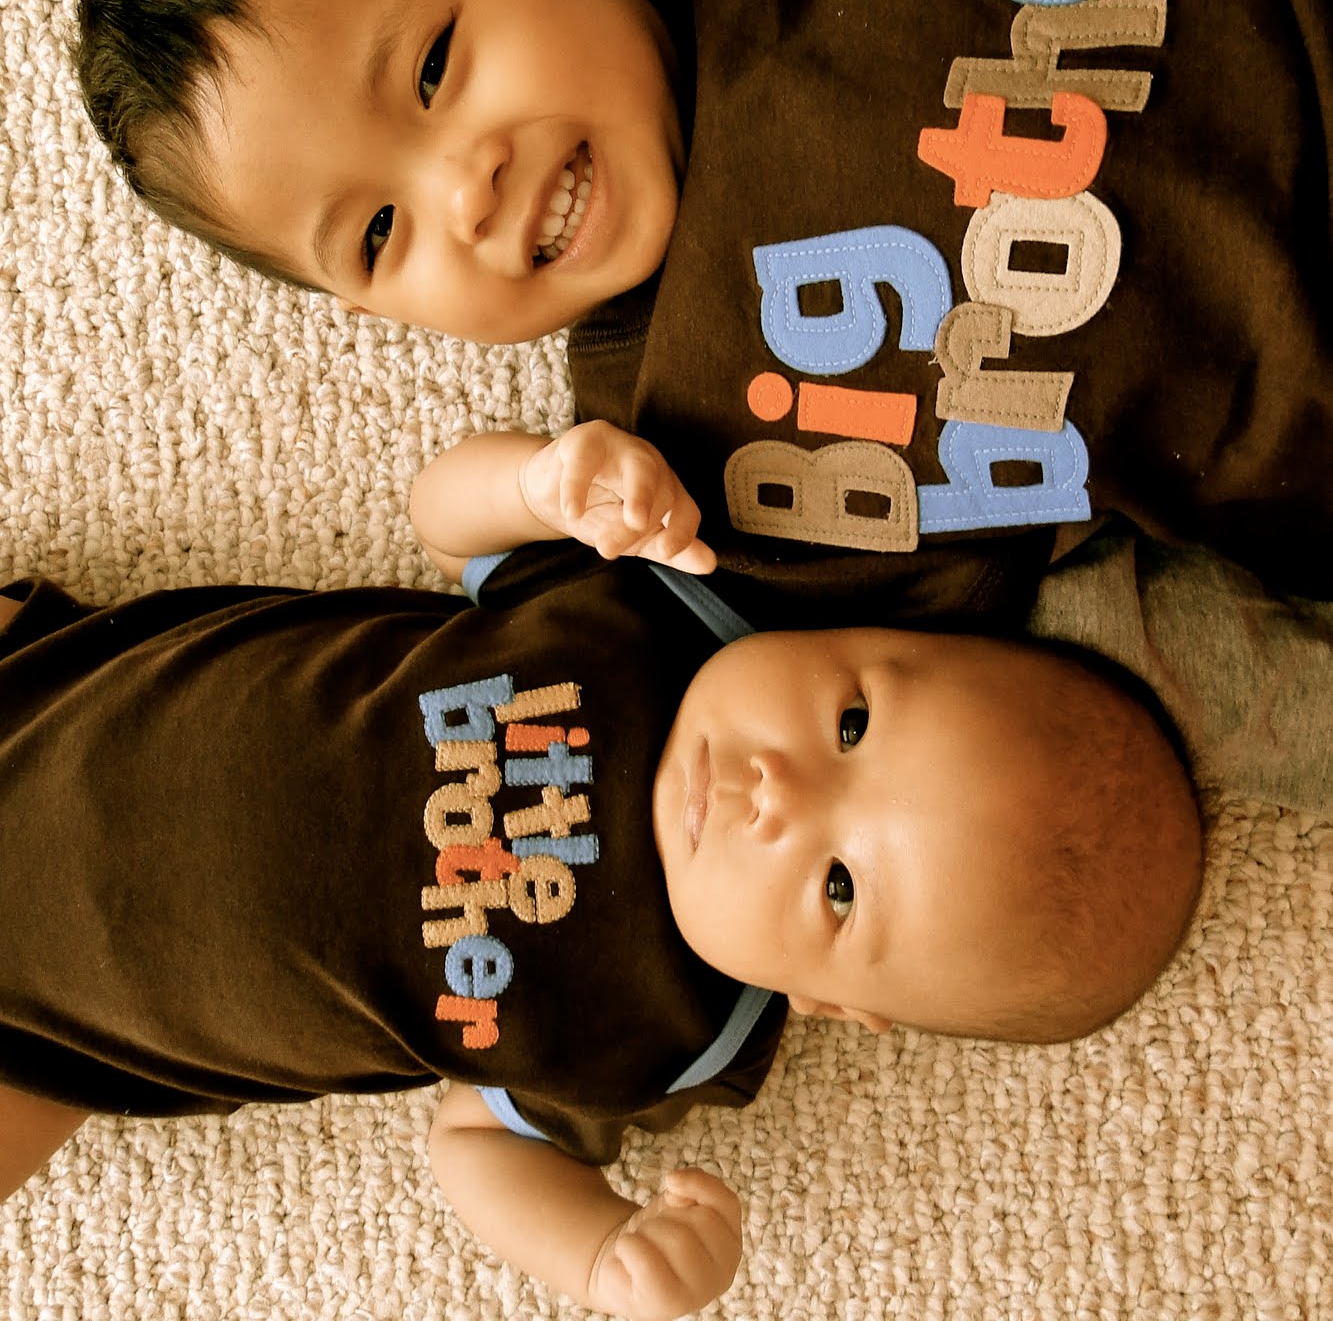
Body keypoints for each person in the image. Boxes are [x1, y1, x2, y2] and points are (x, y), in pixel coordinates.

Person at [72, 0, 1332, 633]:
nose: (466, 193)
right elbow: (447, 523)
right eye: (379, 231)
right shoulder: (676, 444)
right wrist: (541, 484)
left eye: (436, 64)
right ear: (374, 311)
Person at [0, 425, 1201, 1321]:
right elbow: (444, 519)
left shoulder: (668, 1031)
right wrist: (537, 482)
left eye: (837, 885)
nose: (777, 794)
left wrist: (596, 1254)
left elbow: (474, 1144)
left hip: (50, 1034)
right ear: (869, 634)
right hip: (41, 689)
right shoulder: (658, 604)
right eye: (849, 723)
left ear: (830, 1001)